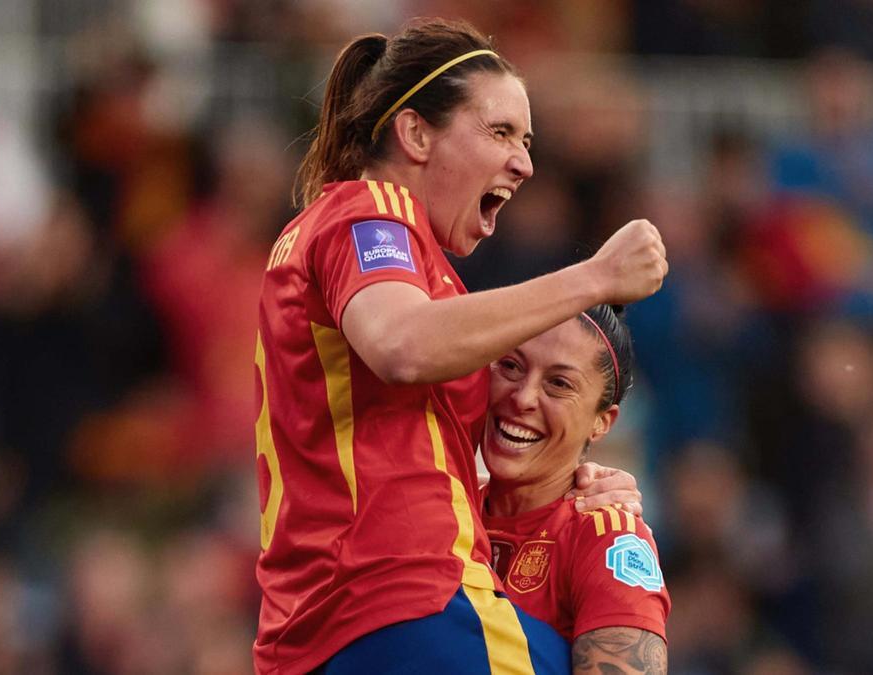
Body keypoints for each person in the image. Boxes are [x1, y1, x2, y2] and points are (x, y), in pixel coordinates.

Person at [253, 18, 667, 675]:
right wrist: (595, 277)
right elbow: (401, 345)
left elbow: (395, 430)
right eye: (500, 131)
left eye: (527, 141)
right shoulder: (372, 213)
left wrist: (567, 476)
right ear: (415, 133)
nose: (524, 162)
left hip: (322, 628)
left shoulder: (385, 254)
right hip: (407, 602)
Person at [483, 305, 670, 674]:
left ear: (602, 423)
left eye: (559, 384)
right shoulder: (445, 505)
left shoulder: (606, 537)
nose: (523, 397)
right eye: (510, 366)